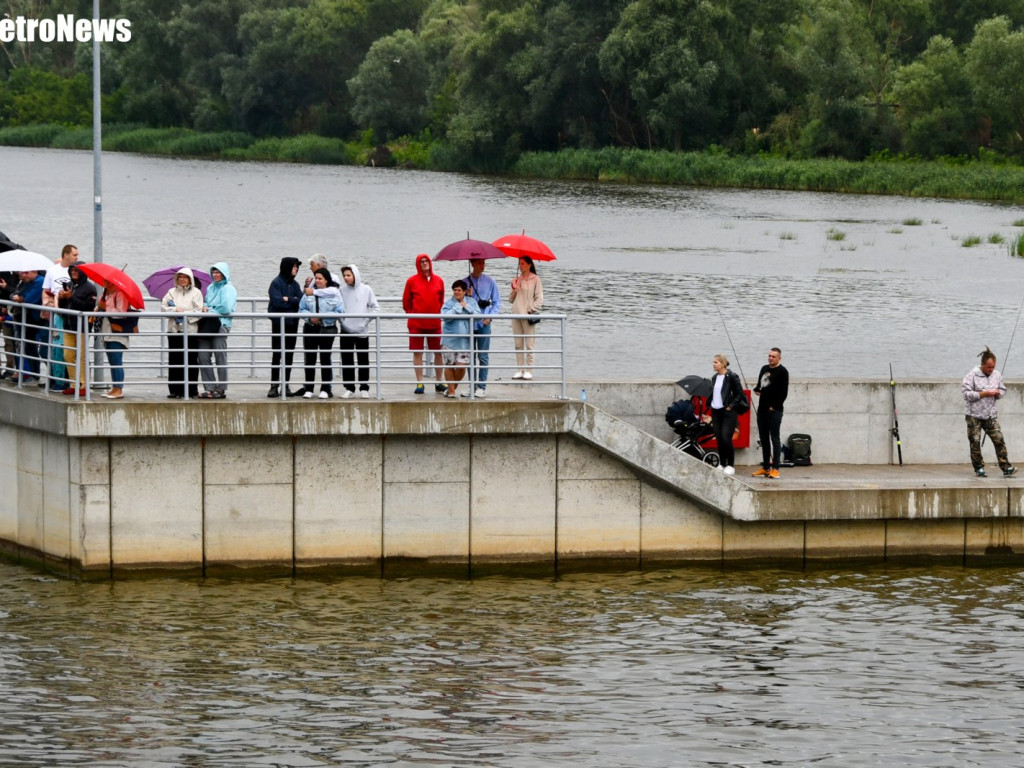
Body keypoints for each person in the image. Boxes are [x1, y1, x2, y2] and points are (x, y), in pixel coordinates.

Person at [963, 346, 1016, 478]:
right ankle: (979, 468)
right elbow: (966, 394)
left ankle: (1006, 467)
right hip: (973, 415)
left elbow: (1003, 389)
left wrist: (998, 394)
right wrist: (983, 394)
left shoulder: (997, 375)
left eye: (993, 367)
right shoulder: (972, 376)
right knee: (975, 441)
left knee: (999, 439)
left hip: (990, 415)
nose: (991, 370)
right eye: (989, 367)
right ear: (982, 364)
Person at [402, 253, 445, 395]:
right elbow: (406, 302)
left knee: (438, 353)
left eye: (426, 261)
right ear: (418, 264)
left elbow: (441, 299)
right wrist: (414, 314)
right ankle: (420, 382)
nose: (425, 263)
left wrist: (434, 312)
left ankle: (439, 382)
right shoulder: (411, 281)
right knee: (417, 353)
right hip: (416, 324)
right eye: (422, 262)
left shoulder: (438, 280)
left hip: (435, 323)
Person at [298, 267, 342, 398]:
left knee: (325, 358)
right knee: (309, 358)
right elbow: (301, 309)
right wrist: (310, 317)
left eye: (320, 279)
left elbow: (340, 312)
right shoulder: (309, 293)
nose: (317, 281)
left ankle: (326, 388)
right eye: (316, 278)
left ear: (326, 280)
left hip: (327, 328)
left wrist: (321, 316)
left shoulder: (335, 294)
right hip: (310, 328)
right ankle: (309, 388)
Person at [161, 268, 204, 399]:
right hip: (174, 330)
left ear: (190, 279)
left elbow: (198, 311)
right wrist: (175, 310)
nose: (182, 279)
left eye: (185, 277)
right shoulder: (171, 292)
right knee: (175, 360)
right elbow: (163, 307)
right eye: (180, 277)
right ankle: (175, 389)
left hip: (190, 331)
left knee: (191, 360)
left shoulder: (196, 293)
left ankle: (191, 389)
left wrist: (185, 316)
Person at [338, 264, 379, 399]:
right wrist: (342, 322)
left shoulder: (366, 289)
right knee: (347, 360)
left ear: (355, 275)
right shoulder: (341, 290)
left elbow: (375, 308)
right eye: (344, 275)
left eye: (348, 275)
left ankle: (364, 387)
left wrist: (365, 321)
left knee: (363, 360)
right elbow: (338, 308)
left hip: (362, 331)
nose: (346, 278)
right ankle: (349, 387)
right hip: (345, 330)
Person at [56, 262, 96, 396]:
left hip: (83, 327)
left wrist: (71, 297)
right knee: (68, 355)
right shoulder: (69, 285)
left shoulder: (90, 288)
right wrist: (62, 298)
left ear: (83, 272)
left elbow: (88, 307)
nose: (73, 272)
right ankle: (74, 383)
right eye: (72, 270)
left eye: (76, 270)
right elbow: (63, 307)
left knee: (82, 356)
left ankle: (84, 384)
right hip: (68, 326)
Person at [197, 262, 236, 399]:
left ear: (224, 273)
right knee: (202, 355)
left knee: (220, 356)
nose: (215, 275)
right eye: (214, 272)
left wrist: (210, 309)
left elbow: (225, 308)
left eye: (218, 272)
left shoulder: (228, 288)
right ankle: (210, 388)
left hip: (221, 324)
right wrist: (204, 306)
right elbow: (207, 302)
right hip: (208, 324)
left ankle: (221, 388)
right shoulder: (210, 287)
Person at [40, 244, 77, 391]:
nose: (76, 257)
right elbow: (46, 290)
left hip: (69, 314)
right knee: (54, 348)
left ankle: (68, 380)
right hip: (56, 315)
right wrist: (46, 302)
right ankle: (58, 379)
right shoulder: (52, 270)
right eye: (74, 254)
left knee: (68, 348)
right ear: (66, 254)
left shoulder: (76, 273)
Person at [267, 256, 304, 398]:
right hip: (278, 324)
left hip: (292, 323)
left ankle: (285, 384)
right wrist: (292, 301)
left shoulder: (295, 284)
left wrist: (289, 299)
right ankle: (274, 385)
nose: (296, 269)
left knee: (289, 355)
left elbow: (301, 301)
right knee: (277, 354)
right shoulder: (276, 283)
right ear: (287, 267)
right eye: (294, 267)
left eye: (297, 267)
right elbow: (277, 302)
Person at [464, 258, 499, 398]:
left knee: (483, 356)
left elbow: (496, 302)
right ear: (472, 264)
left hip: (484, 323)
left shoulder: (490, 281)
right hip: (469, 323)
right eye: (479, 262)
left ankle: (482, 386)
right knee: (469, 355)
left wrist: (490, 317)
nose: (482, 265)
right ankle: (471, 385)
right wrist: (468, 297)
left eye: (483, 262)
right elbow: (458, 301)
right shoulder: (464, 282)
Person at [705, 353, 746, 476]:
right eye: (713, 362)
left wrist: (730, 406)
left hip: (728, 411)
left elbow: (740, 394)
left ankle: (730, 465)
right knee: (719, 438)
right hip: (716, 411)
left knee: (726, 438)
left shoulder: (732, 376)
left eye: (716, 362)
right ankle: (722, 463)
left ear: (723, 363)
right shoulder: (714, 377)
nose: (713, 364)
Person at [752, 347, 789, 479]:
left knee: (775, 438)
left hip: (774, 410)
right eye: (769, 356)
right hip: (762, 409)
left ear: (779, 358)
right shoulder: (764, 369)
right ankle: (766, 467)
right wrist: (756, 390)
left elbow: (783, 393)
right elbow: (759, 385)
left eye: (773, 356)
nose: (770, 358)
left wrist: (774, 406)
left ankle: (776, 468)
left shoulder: (783, 372)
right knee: (764, 439)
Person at [440, 280, 480, 398]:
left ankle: (452, 387)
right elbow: (445, 317)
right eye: (455, 290)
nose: (457, 292)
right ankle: (451, 391)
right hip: (449, 341)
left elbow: (478, 317)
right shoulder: (448, 303)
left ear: (464, 292)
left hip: (464, 342)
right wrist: (457, 307)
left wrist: (466, 307)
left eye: (459, 290)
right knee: (449, 365)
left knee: (461, 366)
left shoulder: (471, 302)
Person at [508, 255, 543, 380]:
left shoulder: (536, 279)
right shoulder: (517, 280)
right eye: (519, 263)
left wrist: (530, 309)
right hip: (516, 314)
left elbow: (539, 298)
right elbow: (510, 300)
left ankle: (529, 370)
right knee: (518, 344)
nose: (520, 266)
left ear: (529, 264)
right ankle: (520, 369)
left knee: (529, 344)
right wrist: (514, 289)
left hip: (527, 315)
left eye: (522, 263)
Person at [96, 280, 130, 399]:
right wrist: (99, 307)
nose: (107, 285)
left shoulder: (120, 294)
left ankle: (119, 388)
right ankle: (114, 387)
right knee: (112, 361)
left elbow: (122, 313)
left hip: (116, 333)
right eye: (106, 282)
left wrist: (106, 308)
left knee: (116, 361)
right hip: (106, 333)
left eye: (110, 283)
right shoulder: (106, 294)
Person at [8, 270, 45, 382]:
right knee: (27, 347)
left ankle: (36, 374)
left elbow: (29, 299)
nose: (22, 275)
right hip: (25, 318)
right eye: (21, 273)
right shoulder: (26, 281)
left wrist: (20, 298)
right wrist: (17, 297)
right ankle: (33, 374)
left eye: (26, 273)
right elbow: (15, 294)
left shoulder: (39, 281)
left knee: (34, 348)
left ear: (34, 272)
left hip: (34, 319)